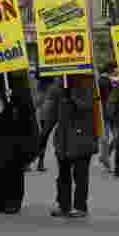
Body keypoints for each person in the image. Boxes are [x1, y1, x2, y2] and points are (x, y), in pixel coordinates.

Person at [0, 71, 39, 215]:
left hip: (13, 132)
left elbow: (25, 108)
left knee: (13, 167)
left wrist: (10, 96)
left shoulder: (19, 84)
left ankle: (14, 201)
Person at [41, 75, 97, 218]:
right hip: (63, 139)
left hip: (83, 137)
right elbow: (51, 113)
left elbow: (88, 105)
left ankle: (80, 207)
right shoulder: (57, 87)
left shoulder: (88, 82)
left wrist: (72, 96)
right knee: (63, 175)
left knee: (80, 175)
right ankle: (64, 205)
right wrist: (44, 134)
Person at [34, 75, 57, 172]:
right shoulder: (52, 83)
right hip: (49, 109)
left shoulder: (41, 85)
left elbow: (37, 101)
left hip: (46, 109)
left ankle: (39, 161)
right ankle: (39, 161)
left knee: (44, 135)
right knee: (44, 135)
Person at [97, 64, 115, 171]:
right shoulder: (105, 81)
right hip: (107, 112)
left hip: (106, 112)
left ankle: (105, 156)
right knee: (106, 137)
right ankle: (105, 158)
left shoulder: (103, 80)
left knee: (108, 137)